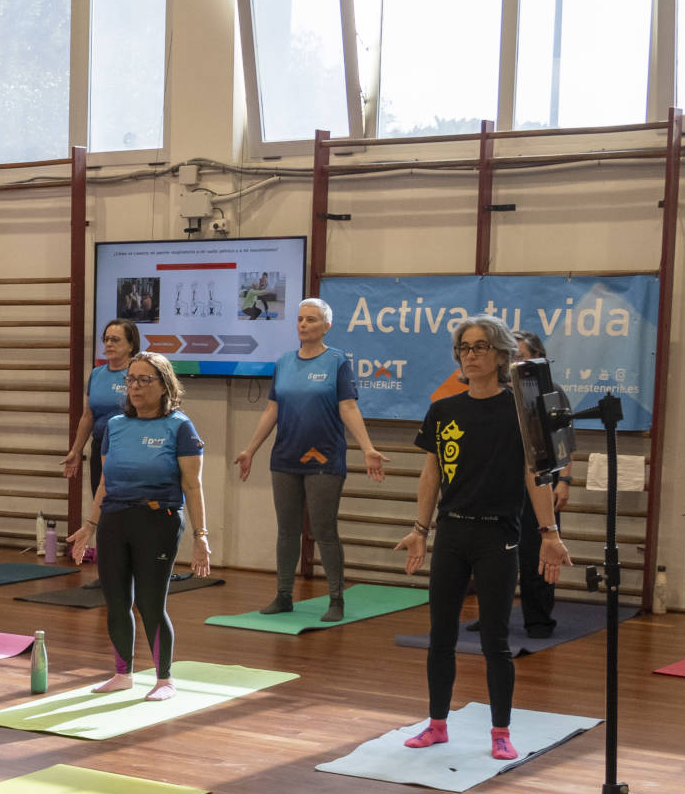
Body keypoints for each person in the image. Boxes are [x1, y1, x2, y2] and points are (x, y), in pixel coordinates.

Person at [395, 317, 571, 760]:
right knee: (441, 635)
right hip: (452, 532)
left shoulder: (519, 412)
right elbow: (432, 474)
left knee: (495, 640)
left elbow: (535, 475)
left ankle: (500, 732)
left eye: (480, 347)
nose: (470, 355)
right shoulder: (443, 411)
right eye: (464, 348)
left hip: (498, 536)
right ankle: (437, 724)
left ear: (500, 355)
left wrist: (549, 533)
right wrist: (420, 530)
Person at [66, 350, 210, 700]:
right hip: (115, 519)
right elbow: (105, 482)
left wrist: (200, 536)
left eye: (144, 380)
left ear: (164, 385)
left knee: (150, 603)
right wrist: (89, 525)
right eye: (131, 379)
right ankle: (122, 674)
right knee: (116, 600)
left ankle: (164, 680)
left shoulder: (180, 427)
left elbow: (193, 486)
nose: (135, 386)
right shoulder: (114, 426)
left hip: (158, 521)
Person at [233, 298, 387, 621]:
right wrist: (250, 449)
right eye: (300, 319)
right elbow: (272, 410)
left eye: (312, 320)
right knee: (287, 530)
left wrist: (367, 448)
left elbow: (348, 407)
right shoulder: (284, 362)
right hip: (285, 458)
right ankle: (283, 596)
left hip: (324, 460)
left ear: (326, 326)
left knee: (323, 529)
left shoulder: (337, 361)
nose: (303, 324)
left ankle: (336, 600)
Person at [488, 331, 568, 638]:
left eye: (520, 356)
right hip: (501, 483)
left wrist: (565, 481)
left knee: (538, 552)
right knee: (494, 555)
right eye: (509, 356)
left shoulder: (551, 392)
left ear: (537, 358)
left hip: (540, 481)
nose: (513, 362)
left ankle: (539, 620)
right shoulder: (494, 392)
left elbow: (562, 441)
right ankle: (492, 617)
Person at [62, 319, 141, 504]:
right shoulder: (97, 374)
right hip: (100, 447)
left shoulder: (137, 374)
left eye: (115, 340)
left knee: (126, 505)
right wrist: (76, 450)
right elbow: (88, 415)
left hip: (129, 448)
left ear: (131, 345)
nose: (109, 344)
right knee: (101, 503)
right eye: (106, 339)